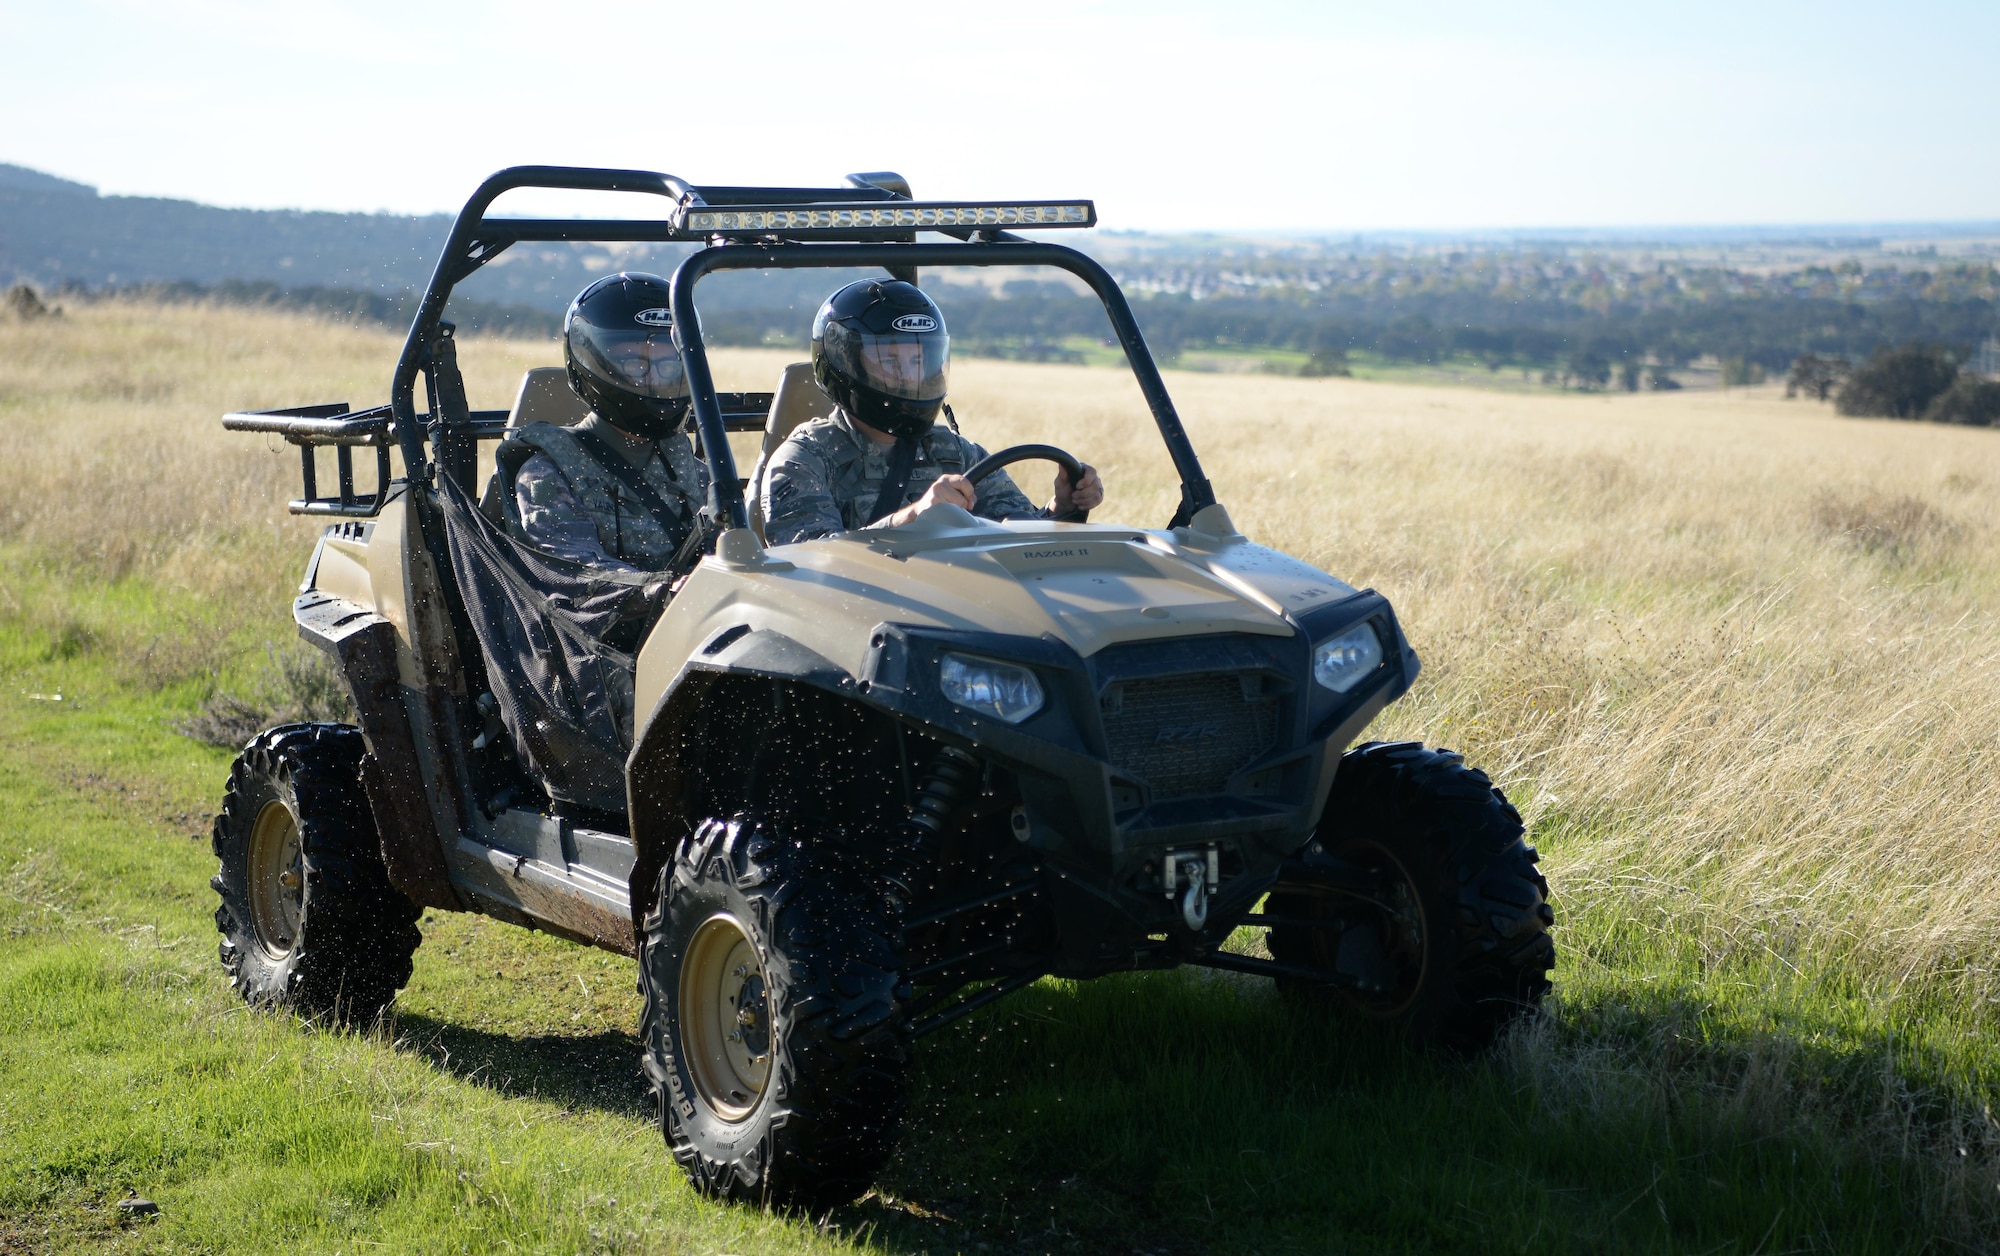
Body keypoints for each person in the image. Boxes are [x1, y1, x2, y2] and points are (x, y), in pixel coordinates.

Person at [760, 280, 1104, 546]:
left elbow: (1016, 543)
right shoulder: (804, 460)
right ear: (846, 363)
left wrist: (1062, 508)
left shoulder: (956, 453)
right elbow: (809, 566)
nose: (910, 376)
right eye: (891, 361)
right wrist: (914, 517)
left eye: (918, 360)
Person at [495, 272, 710, 574]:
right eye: (635, 365)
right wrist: (672, 593)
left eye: (668, 365)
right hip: (605, 620)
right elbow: (577, 572)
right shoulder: (547, 474)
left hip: (701, 616)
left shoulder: (694, 472)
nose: (654, 380)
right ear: (594, 364)